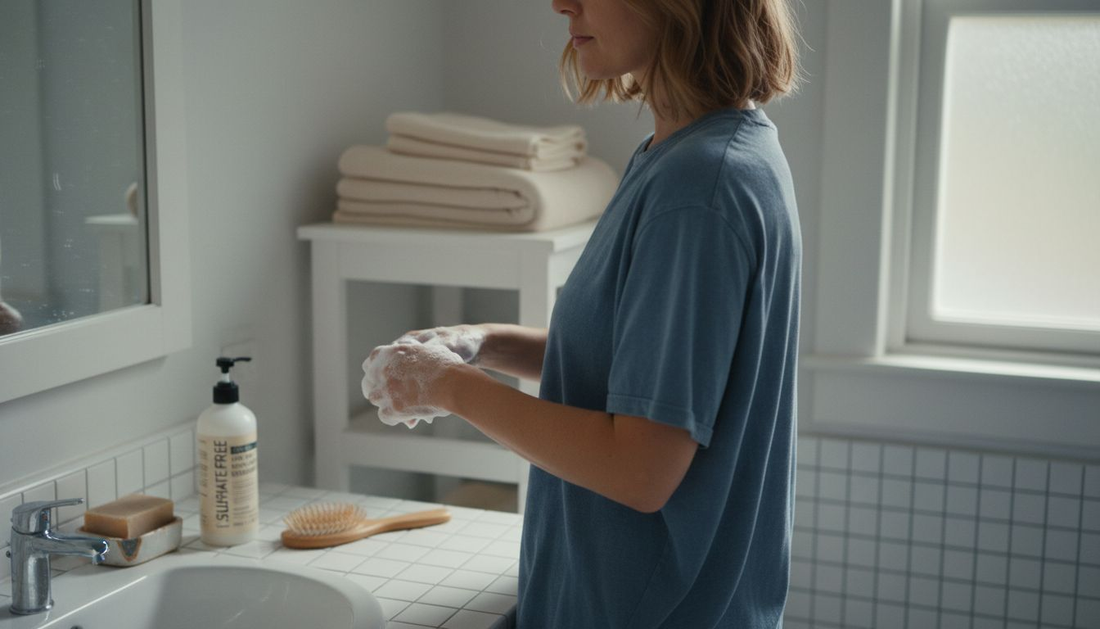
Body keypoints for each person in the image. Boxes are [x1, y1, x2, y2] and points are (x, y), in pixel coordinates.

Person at [361, 0, 802, 626]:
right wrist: (479, 342)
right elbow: (634, 371)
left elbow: (639, 469)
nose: (561, 3)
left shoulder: (699, 190)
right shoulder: (686, 155)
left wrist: (450, 385)